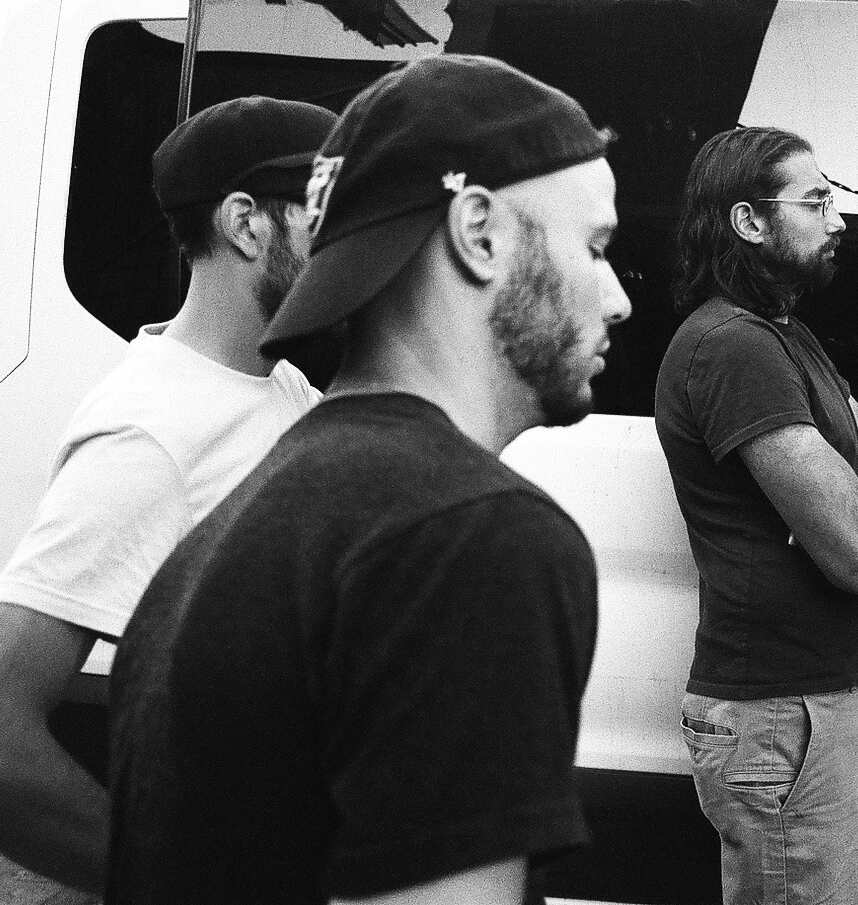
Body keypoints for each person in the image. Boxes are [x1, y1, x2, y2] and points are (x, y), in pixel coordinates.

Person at [105, 55, 630, 903]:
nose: (616, 298)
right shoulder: (469, 535)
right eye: (595, 247)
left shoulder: (246, 515)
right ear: (480, 232)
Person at [0, 96, 335, 892]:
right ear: (246, 224)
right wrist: (172, 881)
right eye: (327, 213)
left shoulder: (280, 382)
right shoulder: (149, 434)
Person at [655, 126, 858, 905]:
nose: (839, 221)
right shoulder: (732, 348)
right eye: (815, 202)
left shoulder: (789, 339)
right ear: (749, 221)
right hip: (781, 719)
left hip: (840, 700)